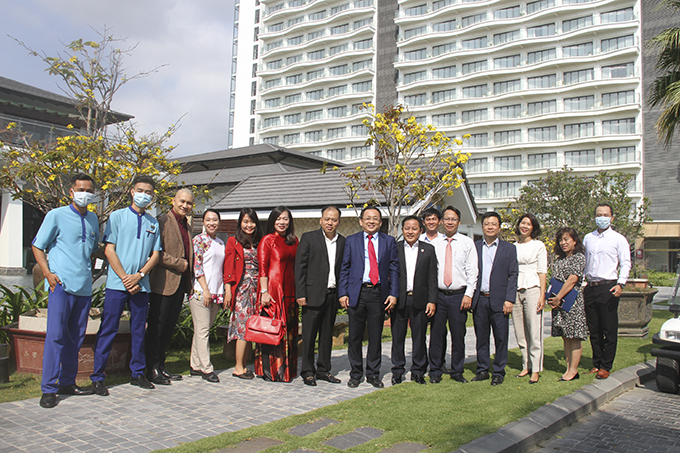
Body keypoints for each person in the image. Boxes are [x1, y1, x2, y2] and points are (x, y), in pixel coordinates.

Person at [32, 174, 99, 408]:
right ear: (71, 191)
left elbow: (93, 249)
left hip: (83, 288)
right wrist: (48, 273)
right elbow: (37, 246)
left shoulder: (92, 218)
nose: (85, 194)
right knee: (56, 337)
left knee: (75, 338)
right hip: (61, 286)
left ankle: (67, 382)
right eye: (80, 189)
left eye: (89, 190)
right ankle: (48, 389)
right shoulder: (56, 215)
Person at [91, 176, 161, 395]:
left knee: (139, 330)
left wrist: (139, 276)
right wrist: (125, 278)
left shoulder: (153, 222)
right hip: (116, 284)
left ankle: (137, 373)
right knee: (108, 329)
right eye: (140, 190)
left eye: (148, 192)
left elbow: (155, 255)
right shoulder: (117, 216)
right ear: (132, 191)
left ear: (152, 196)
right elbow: (109, 250)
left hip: (142, 286)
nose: (144, 195)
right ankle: (97, 377)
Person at [339, 206, 399, 389]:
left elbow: (394, 269)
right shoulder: (351, 241)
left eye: (375, 218)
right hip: (357, 293)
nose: (371, 221)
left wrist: (394, 293)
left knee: (375, 336)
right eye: (368, 218)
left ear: (380, 222)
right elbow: (344, 268)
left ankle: (373, 373)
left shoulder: (389, 241)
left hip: (378, 293)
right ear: (361, 221)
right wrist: (343, 292)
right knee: (355, 336)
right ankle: (356, 373)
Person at [146, 188, 195, 385]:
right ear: (173, 201)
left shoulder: (187, 226)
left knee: (168, 329)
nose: (185, 206)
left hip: (180, 285)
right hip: (163, 283)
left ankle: (161, 366)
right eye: (182, 201)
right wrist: (178, 263)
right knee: (156, 329)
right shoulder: (162, 221)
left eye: (189, 203)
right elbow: (155, 252)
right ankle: (151, 368)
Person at [295, 206, 346, 386]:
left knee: (326, 336)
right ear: (321, 220)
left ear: (339, 222)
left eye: (334, 220)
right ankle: (307, 371)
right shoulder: (309, 238)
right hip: (311, 295)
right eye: (327, 219)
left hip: (332, 295)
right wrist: (300, 293)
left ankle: (324, 370)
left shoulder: (343, 242)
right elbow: (300, 268)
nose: (330, 223)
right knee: (309, 336)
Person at [429, 206, 478, 384]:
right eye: (447, 219)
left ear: (459, 222)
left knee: (458, 335)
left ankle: (457, 370)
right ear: (441, 222)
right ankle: (435, 370)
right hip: (439, 296)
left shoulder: (467, 243)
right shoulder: (434, 243)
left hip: (459, 295)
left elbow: (473, 271)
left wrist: (468, 295)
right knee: (436, 334)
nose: (450, 222)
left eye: (454, 219)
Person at [583, 203, 631, 380]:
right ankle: (596, 363)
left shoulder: (618, 239)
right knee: (593, 329)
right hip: (591, 286)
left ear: (612, 218)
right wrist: (582, 282)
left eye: (605, 214)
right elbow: (584, 262)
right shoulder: (588, 238)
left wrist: (621, 283)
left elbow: (626, 262)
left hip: (609, 286)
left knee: (608, 329)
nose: (601, 217)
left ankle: (606, 365)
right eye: (598, 214)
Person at [472, 211, 518, 386]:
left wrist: (510, 299)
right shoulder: (475, 247)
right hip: (480, 300)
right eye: (487, 224)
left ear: (499, 227)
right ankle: (482, 369)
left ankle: (499, 371)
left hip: (500, 300)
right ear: (482, 227)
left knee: (500, 337)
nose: (490, 227)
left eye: (493, 224)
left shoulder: (509, 248)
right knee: (481, 337)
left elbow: (513, 275)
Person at [391, 216, 437, 385]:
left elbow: (433, 277)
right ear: (402, 230)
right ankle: (397, 370)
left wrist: (432, 300)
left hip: (420, 301)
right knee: (398, 337)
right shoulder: (394, 248)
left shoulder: (429, 249)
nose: (410, 232)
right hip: (399, 300)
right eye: (407, 228)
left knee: (419, 337)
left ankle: (418, 370)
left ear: (421, 230)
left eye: (414, 229)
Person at [255, 206, 299, 382]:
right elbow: (263, 269)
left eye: (285, 218)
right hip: (272, 291)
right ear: (273, 220)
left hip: (291, 292)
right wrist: (264, 292)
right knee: (271, 330)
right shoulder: (267, 240)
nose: (282, 222)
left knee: (289, 331)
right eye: (278, 218)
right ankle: (270, 371)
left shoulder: (294, 240)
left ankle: (288, 370)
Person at [224, 208, 262, 380]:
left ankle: (245, 365)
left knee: (251, 328)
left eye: (252, 221)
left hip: (257, 290)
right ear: (240, 222)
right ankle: (238, 367)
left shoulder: (259, 241)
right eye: (246, 221)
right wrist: (228, 291)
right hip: (242, 290)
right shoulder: (233, 241)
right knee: (242, 329)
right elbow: (228, 267)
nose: (249, 225)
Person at [547, 227, 588, 382]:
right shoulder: (559, 260)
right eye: (561, 240)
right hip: (559, 302)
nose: (563, 243)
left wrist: (558, 297)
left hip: (572, 301)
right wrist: (552, 299)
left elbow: (572, 279)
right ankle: (568, 368)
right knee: (565, 336)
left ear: (574, 241)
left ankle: (573, 370)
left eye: (566, 239)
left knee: (574, 336)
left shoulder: (579, 257)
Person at [189, 209, 225, 383]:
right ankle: (206, 368)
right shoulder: (199, 240)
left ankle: (195, 364)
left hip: (217, 294)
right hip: (201, 292)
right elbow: (197, 266)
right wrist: (205, 289)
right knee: (203, 332)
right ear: (203, 222)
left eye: (215, 220)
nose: (212, 223)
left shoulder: (220, 242)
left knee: (202, 331)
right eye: (208, 220)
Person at [513, 213, 547, 384]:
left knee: (534, 331)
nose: (524, 226)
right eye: (522, 223)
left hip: (533, 289)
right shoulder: (513, 246)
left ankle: (536, 368)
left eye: (528, 224)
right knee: (520, 332)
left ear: (533, 227)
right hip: (515, 291)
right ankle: (525, 365)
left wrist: (542, 295)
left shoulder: (538, 245)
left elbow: (542, 271)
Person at [420, 206, 448, 372]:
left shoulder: (445, 240)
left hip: (439, 291)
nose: (431, 222)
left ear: (439, 221)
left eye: (434, 219)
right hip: (422, 291)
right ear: (424, 222)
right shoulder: (418, 238)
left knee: (439, 330)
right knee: (420, 330)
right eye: (428, 219)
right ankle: (421, 362)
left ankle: (439, 362)